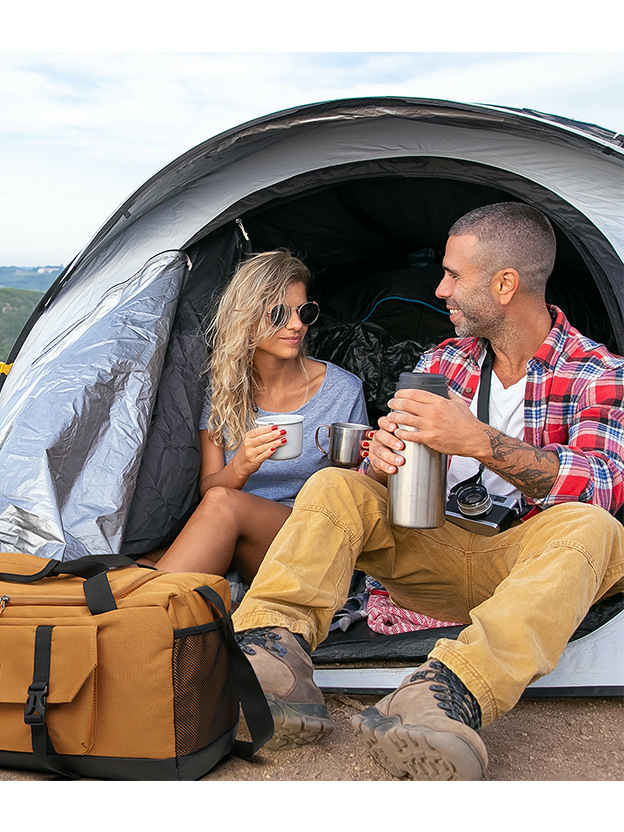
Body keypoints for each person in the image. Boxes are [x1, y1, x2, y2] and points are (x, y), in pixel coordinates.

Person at [231, 203, 624, 779]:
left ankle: (443, 697)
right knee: (337, 485)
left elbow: (602, 487)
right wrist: (381, 460)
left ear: (505, 284)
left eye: (453, 275)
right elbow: (384, 472)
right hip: (432, 554)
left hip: (528, 569)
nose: (440, 290)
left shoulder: (598, 373)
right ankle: (272, 662)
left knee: (596, 528)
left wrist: (479, 440)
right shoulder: (443, 361)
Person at [143, 249, 368, 592]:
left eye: (305, 312)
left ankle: (143, 613)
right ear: (245, 320)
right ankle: (140, 608)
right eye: (278, 314)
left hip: (313, 541)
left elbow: (358, 494)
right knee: (139, 566)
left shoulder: (342, 390)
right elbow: (209, 488)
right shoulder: (222, 389)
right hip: (243, 542)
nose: (296, 325)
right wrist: (242, 466)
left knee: (221, 508)